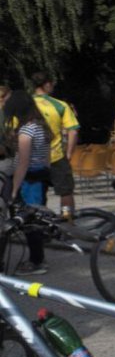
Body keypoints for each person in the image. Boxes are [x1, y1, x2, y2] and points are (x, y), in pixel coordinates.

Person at [5, 91, 52, 275]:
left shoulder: (26, 130)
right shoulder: (41, 126)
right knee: (35, 219)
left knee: (29, 222)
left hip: (28, 181)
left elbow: (23, 163)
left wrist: (15, 189)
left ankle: (36, 262)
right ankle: (37, 259)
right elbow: (47, 158)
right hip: (40, 177)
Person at [31, 73, 79, 218]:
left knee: (35, 195)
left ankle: (38, 224)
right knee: (65, 192)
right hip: (56, 156)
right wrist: (69, 153)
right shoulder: (59, 105)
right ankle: (67, 220)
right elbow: (73, 131)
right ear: (47, 84)